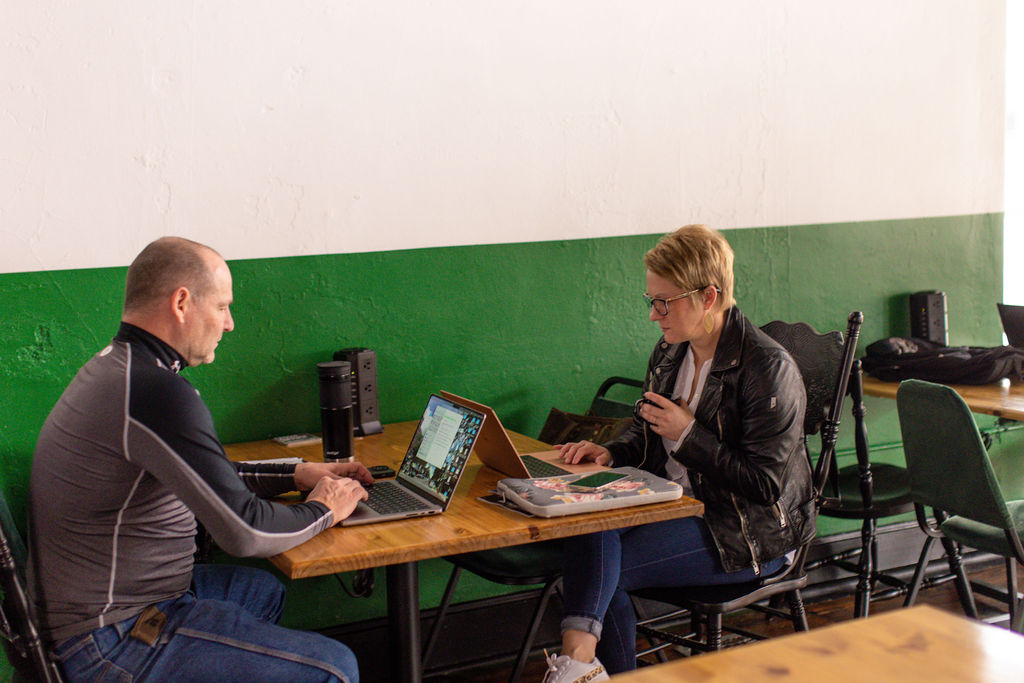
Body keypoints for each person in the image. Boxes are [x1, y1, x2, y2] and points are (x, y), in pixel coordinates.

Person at [28, 237, 370, 683]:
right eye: (223, 306)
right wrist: (325, 507)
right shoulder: (154, 392)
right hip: (107, 637)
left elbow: (208, 478)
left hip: (100, 612)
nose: (229, 324)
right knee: (337, 670)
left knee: (261, 591)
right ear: (182, 302)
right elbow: (245, 531)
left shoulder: (120, 368)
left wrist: (297, 472)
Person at [542, 225, 814, 682]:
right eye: (651, 300)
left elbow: (766, 487)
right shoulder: (671, 353)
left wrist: (690, 436)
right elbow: (647, 436)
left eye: (663, 302)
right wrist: (608, 454)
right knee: (588, 517)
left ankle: (577, 667)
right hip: (674, 505)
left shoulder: (769, 368)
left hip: (745, 531)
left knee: (602, 578)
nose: (654, 315)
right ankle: (581, 667)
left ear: (708, 296)